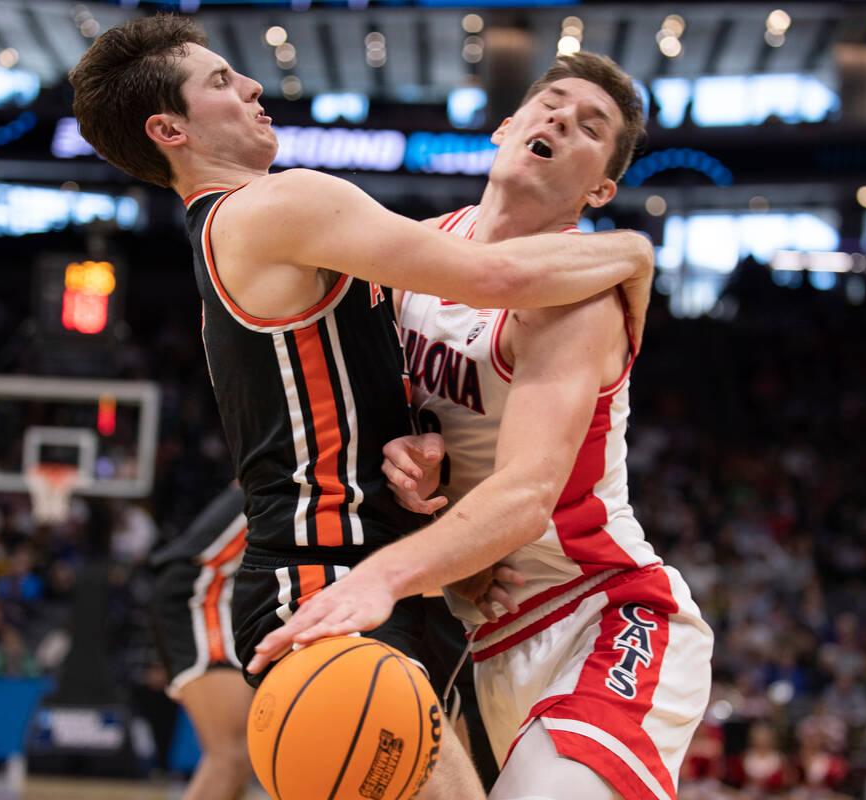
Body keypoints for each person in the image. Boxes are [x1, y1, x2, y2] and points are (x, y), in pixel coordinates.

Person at [69, 15, 654, 800]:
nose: (249, 87)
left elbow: (397, 385)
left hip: (389, 571)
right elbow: (493, 279)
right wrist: (634, 253)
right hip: (326, 570)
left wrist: (423, 456)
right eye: (218, 81)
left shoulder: (254, 227)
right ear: (169, 129)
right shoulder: (278, 206)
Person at [252, 53, 712, 800]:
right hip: (479, 630)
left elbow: (527, 493)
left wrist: (380, 579)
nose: (561, 118)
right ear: (505, 127)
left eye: (590, 126)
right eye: (551, 104)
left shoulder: (579, 298)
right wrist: (413, 461)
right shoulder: (419, 251)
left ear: (602, 188)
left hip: (598, 608)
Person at [149, 483, 253, 800]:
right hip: (202, 588)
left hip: (227, 594)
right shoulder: (293, 457)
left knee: (243, 758)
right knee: (229, 758)